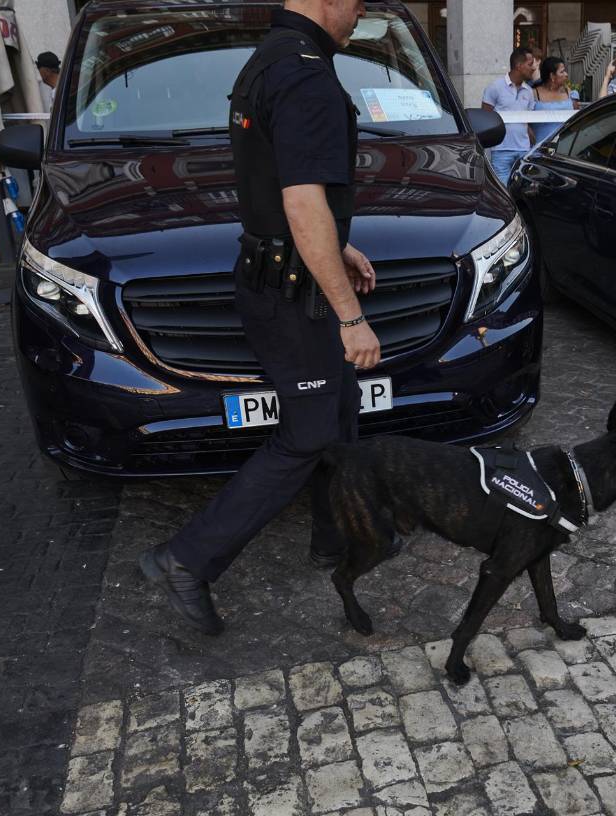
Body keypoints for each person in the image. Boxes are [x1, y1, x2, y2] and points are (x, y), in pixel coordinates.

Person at [141, 0, 380, 635]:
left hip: (280, 273)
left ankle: (336, 539)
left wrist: (337, 247)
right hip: (293, 295)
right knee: (308, 433)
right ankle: (186, 560)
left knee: (340, 414)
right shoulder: (306, 74)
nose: (361, 14)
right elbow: (302, 203)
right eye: (358, 2)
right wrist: (351, 317)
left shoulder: (270, 59)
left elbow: (274, 186)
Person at [481, 47, 536, 185]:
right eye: (530, 64)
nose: (534, 68)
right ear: (519, 65)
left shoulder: (529, 91)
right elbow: (485, 118)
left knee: (522, 189)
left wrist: (532, 140)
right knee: (503, 190)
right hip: (501, 150)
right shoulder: (495, 87)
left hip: (524, 150)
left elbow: (526, 121)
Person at [533, 56, 579, 145]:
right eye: (562, 72)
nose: (566, 74)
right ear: (552, 76)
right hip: (539, 147)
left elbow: (577, 119)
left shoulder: (569, 92)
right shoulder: (534, 94)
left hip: (564, 146)